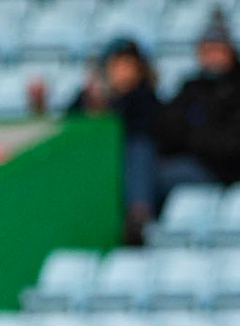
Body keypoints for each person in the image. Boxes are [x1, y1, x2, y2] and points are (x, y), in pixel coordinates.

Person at [68, 37, 167, 237]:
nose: (123, 71)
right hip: (95, 165)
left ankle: (137, 217)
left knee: (139, 149)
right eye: (118, 65)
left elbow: (149, 131)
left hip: (140, 169)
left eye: (129, 65)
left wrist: (111, 109)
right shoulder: (86, 99)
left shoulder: (145, 97)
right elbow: (69, 129)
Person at [157, 10, 240, 188]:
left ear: (230, 52)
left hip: (223, 171)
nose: (212, 56)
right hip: (192, 161)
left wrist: (195, 140)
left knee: (161, 175)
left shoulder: (234, 89)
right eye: (207, 50)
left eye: (217, 49)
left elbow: (230, 143)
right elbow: (167, 129)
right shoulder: (191, 88)